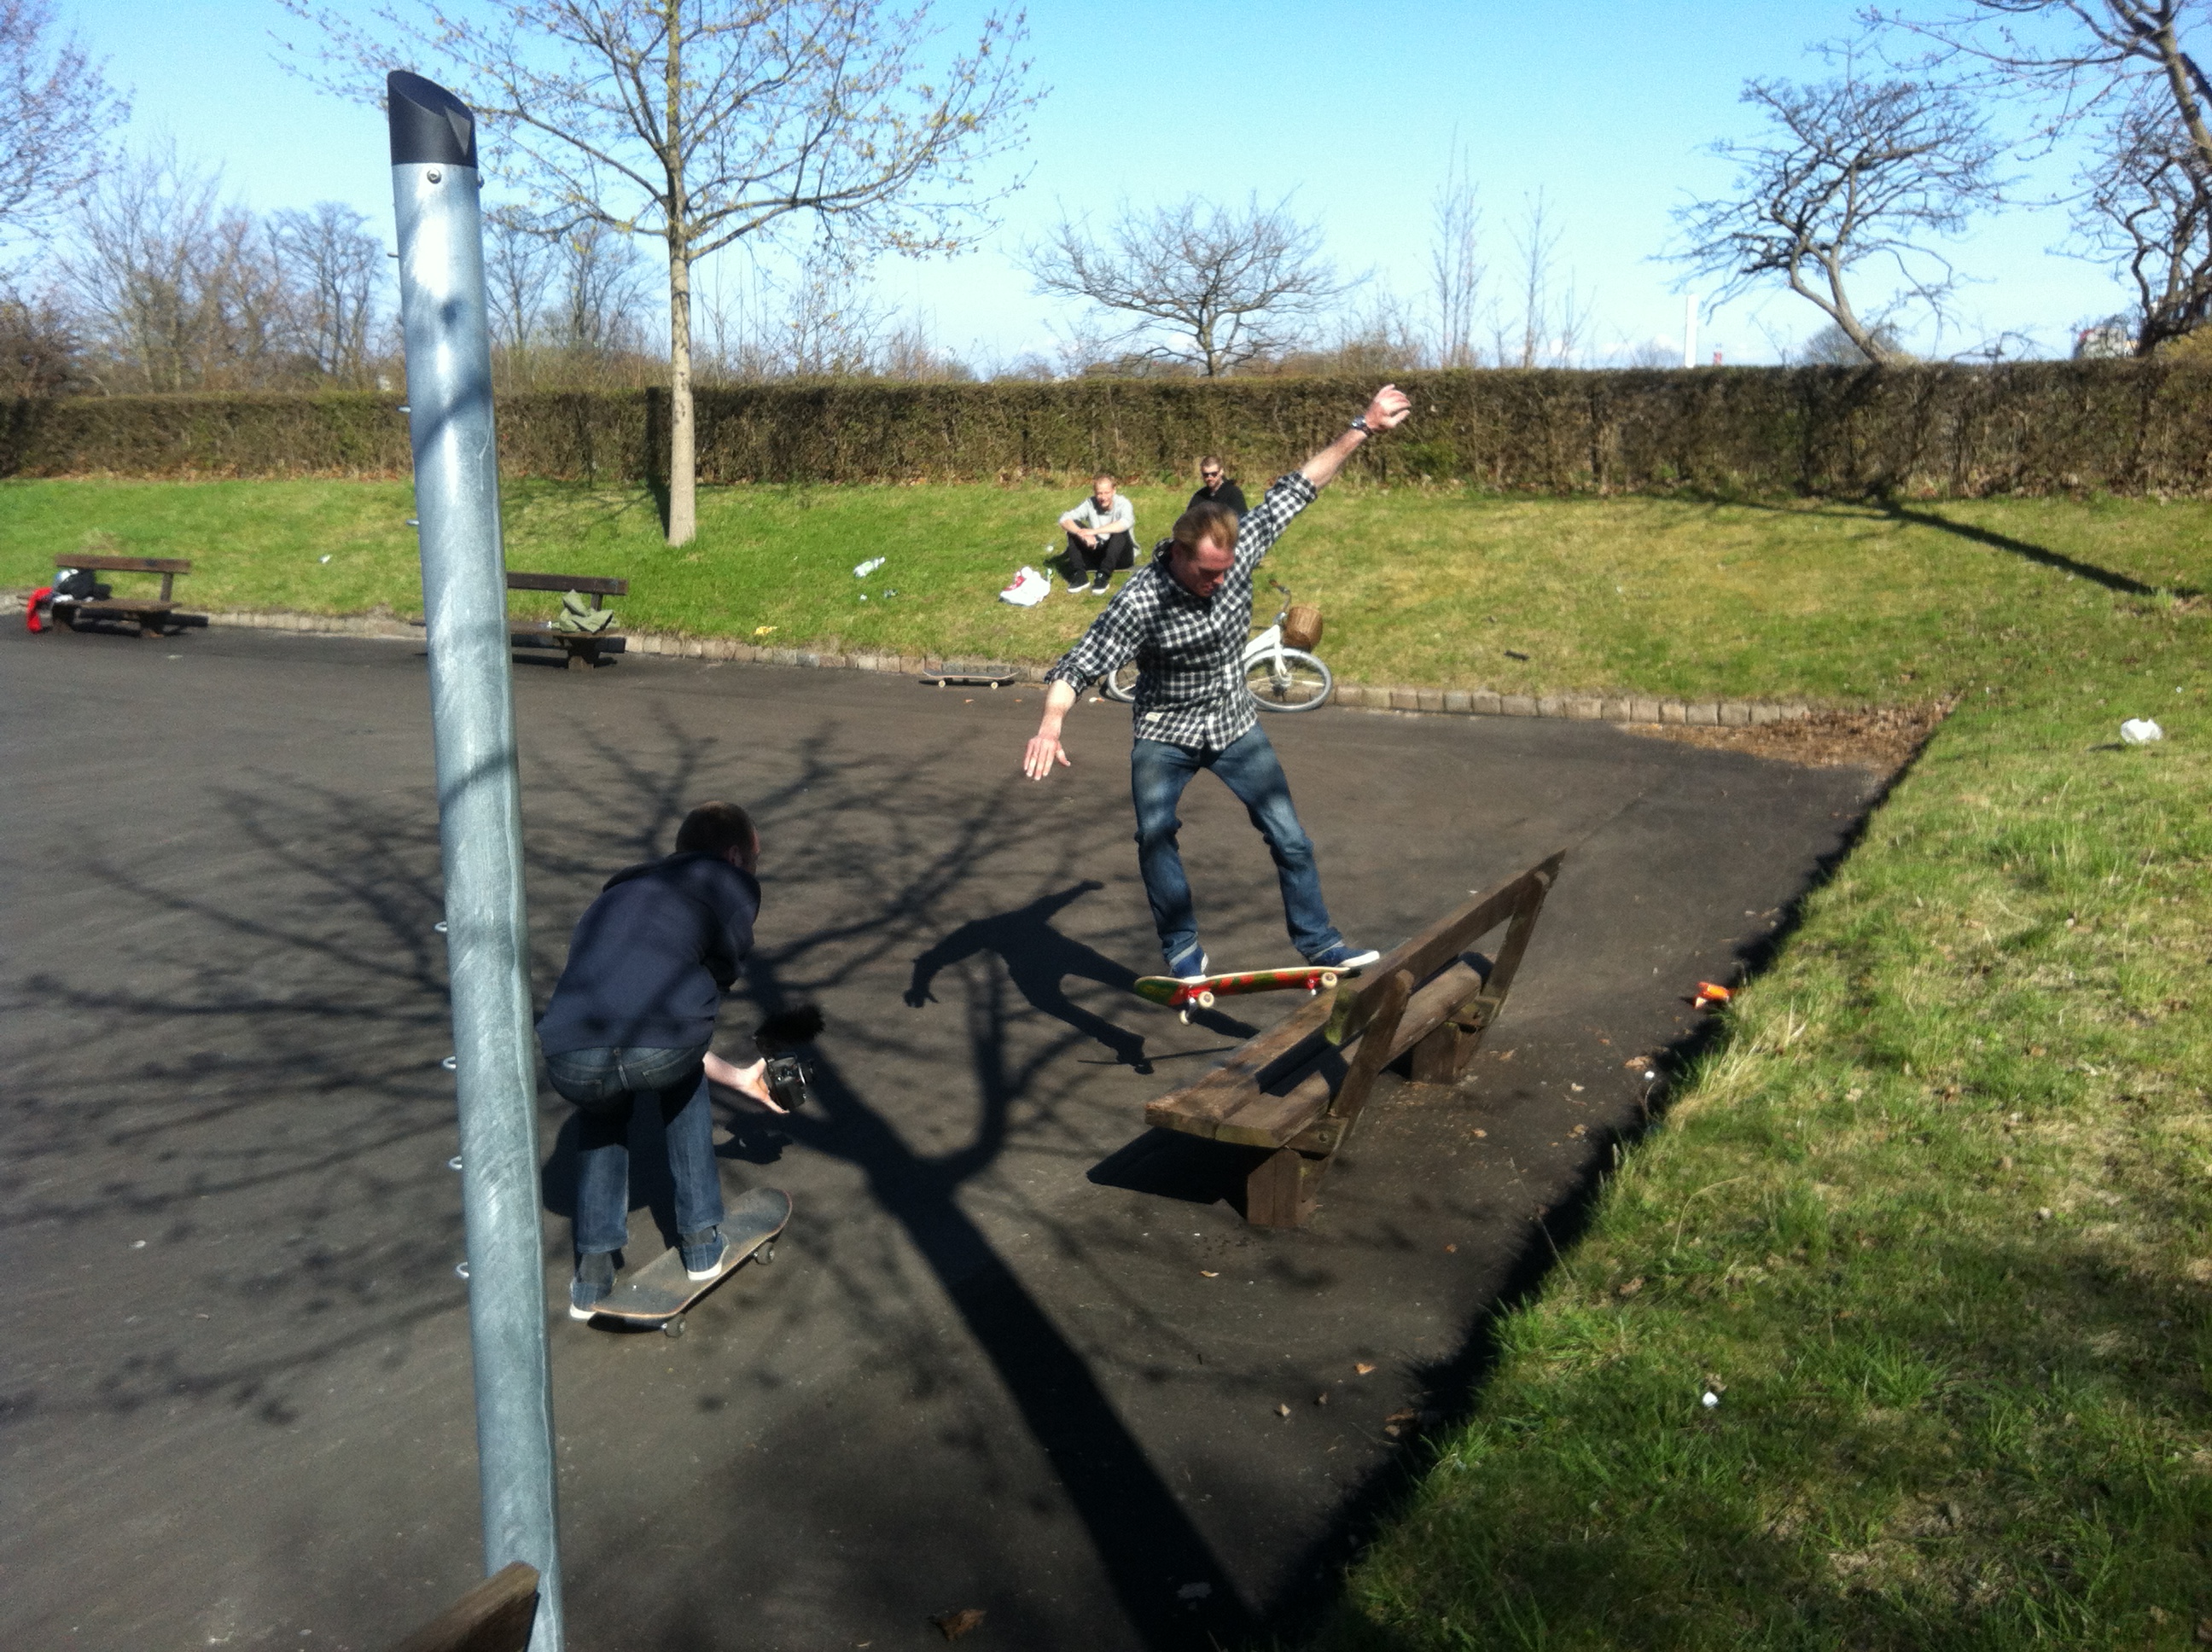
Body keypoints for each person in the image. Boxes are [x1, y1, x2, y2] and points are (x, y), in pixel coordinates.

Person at [1022, 385, 1414, 980]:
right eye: (1207, 575)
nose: (1218, 584)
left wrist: (1364, 425)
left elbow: (1300, 487)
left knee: (1289, 835)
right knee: (1155, 834)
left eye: (1226, 573)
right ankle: (1182, 950)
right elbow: (1079, 664)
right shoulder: (1142, 600)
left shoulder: (1240, 547)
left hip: (1234, 724)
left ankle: (1318, 941)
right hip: (1165, 732)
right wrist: (1051, 724)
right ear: (1180, 555)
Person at [535, 800, 785, 1319]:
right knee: (678, 1080)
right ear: (736, 855)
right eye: (754, 861)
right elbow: (698, 1003)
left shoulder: (620, 890)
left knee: (602, 1116)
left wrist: (737, 1078)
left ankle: (592, 1277)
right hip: (662, 1044)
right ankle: (700, 1243)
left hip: (568, 1054)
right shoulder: (730, 883)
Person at [1058, 474, 1137, 595]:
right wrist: (1081, 533)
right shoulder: (1090, 503)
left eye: (1106, 493)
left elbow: (1125, 523)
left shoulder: (1124, 504)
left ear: (1113, 491)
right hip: (1098, 550)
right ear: (1095, 493)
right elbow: (1064, 519)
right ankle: (1079, 576)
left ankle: (1103, 577)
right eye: (1099, 493)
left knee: (1119, 532)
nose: (1103, 497)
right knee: (1074, 528)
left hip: (1122, 557)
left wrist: (1093, 532)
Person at [1187, 456, 1247, 522]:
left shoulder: (1234, 493)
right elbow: (1188, 522)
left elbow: (1242, 521)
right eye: (1206, 475)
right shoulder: (1199, 496)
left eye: (1214, 474)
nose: (1210, 478)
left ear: (1221, 471)